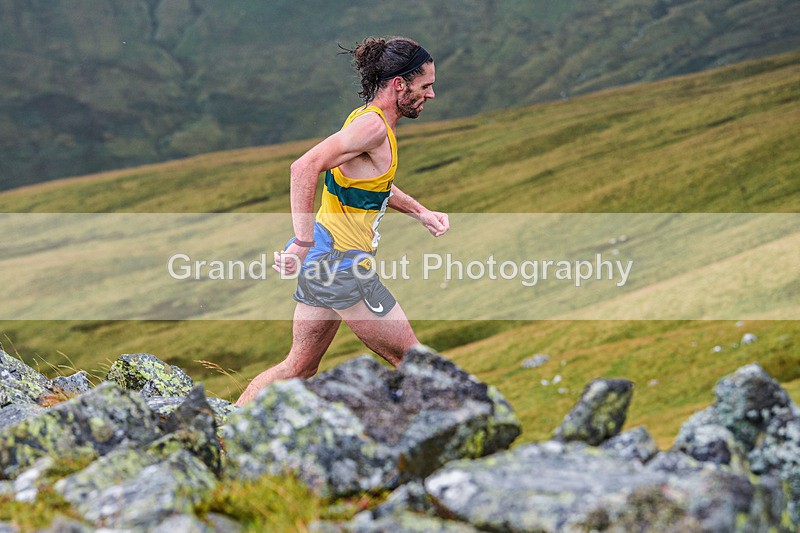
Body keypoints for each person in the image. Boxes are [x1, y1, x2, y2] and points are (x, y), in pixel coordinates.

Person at [236, 36, 449, 405]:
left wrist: (420, 212)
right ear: (400, 84)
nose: (430, 95)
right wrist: (300, 242)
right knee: (413, 360)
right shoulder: (373, 127)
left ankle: (228, 429)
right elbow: (303, 167)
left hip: (325, 259)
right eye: (425, 86)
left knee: (299, 367)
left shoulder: (365, 119)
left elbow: (373, 185)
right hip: (341, 265)